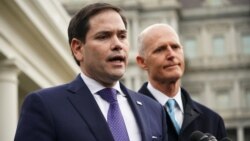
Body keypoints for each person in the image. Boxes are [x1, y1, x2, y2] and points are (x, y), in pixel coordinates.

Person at [14, 3, 167, 141]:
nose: (117, 44)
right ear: (78, 49)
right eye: (103, 36)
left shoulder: (154, 110)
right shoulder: (45, 105)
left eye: (122, 36)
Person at [136, 23, 227, 141]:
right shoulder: (129, 116)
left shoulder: (212, 120)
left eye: (175, 47)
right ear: (142, 62)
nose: (171, 54)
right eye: (160, 49)